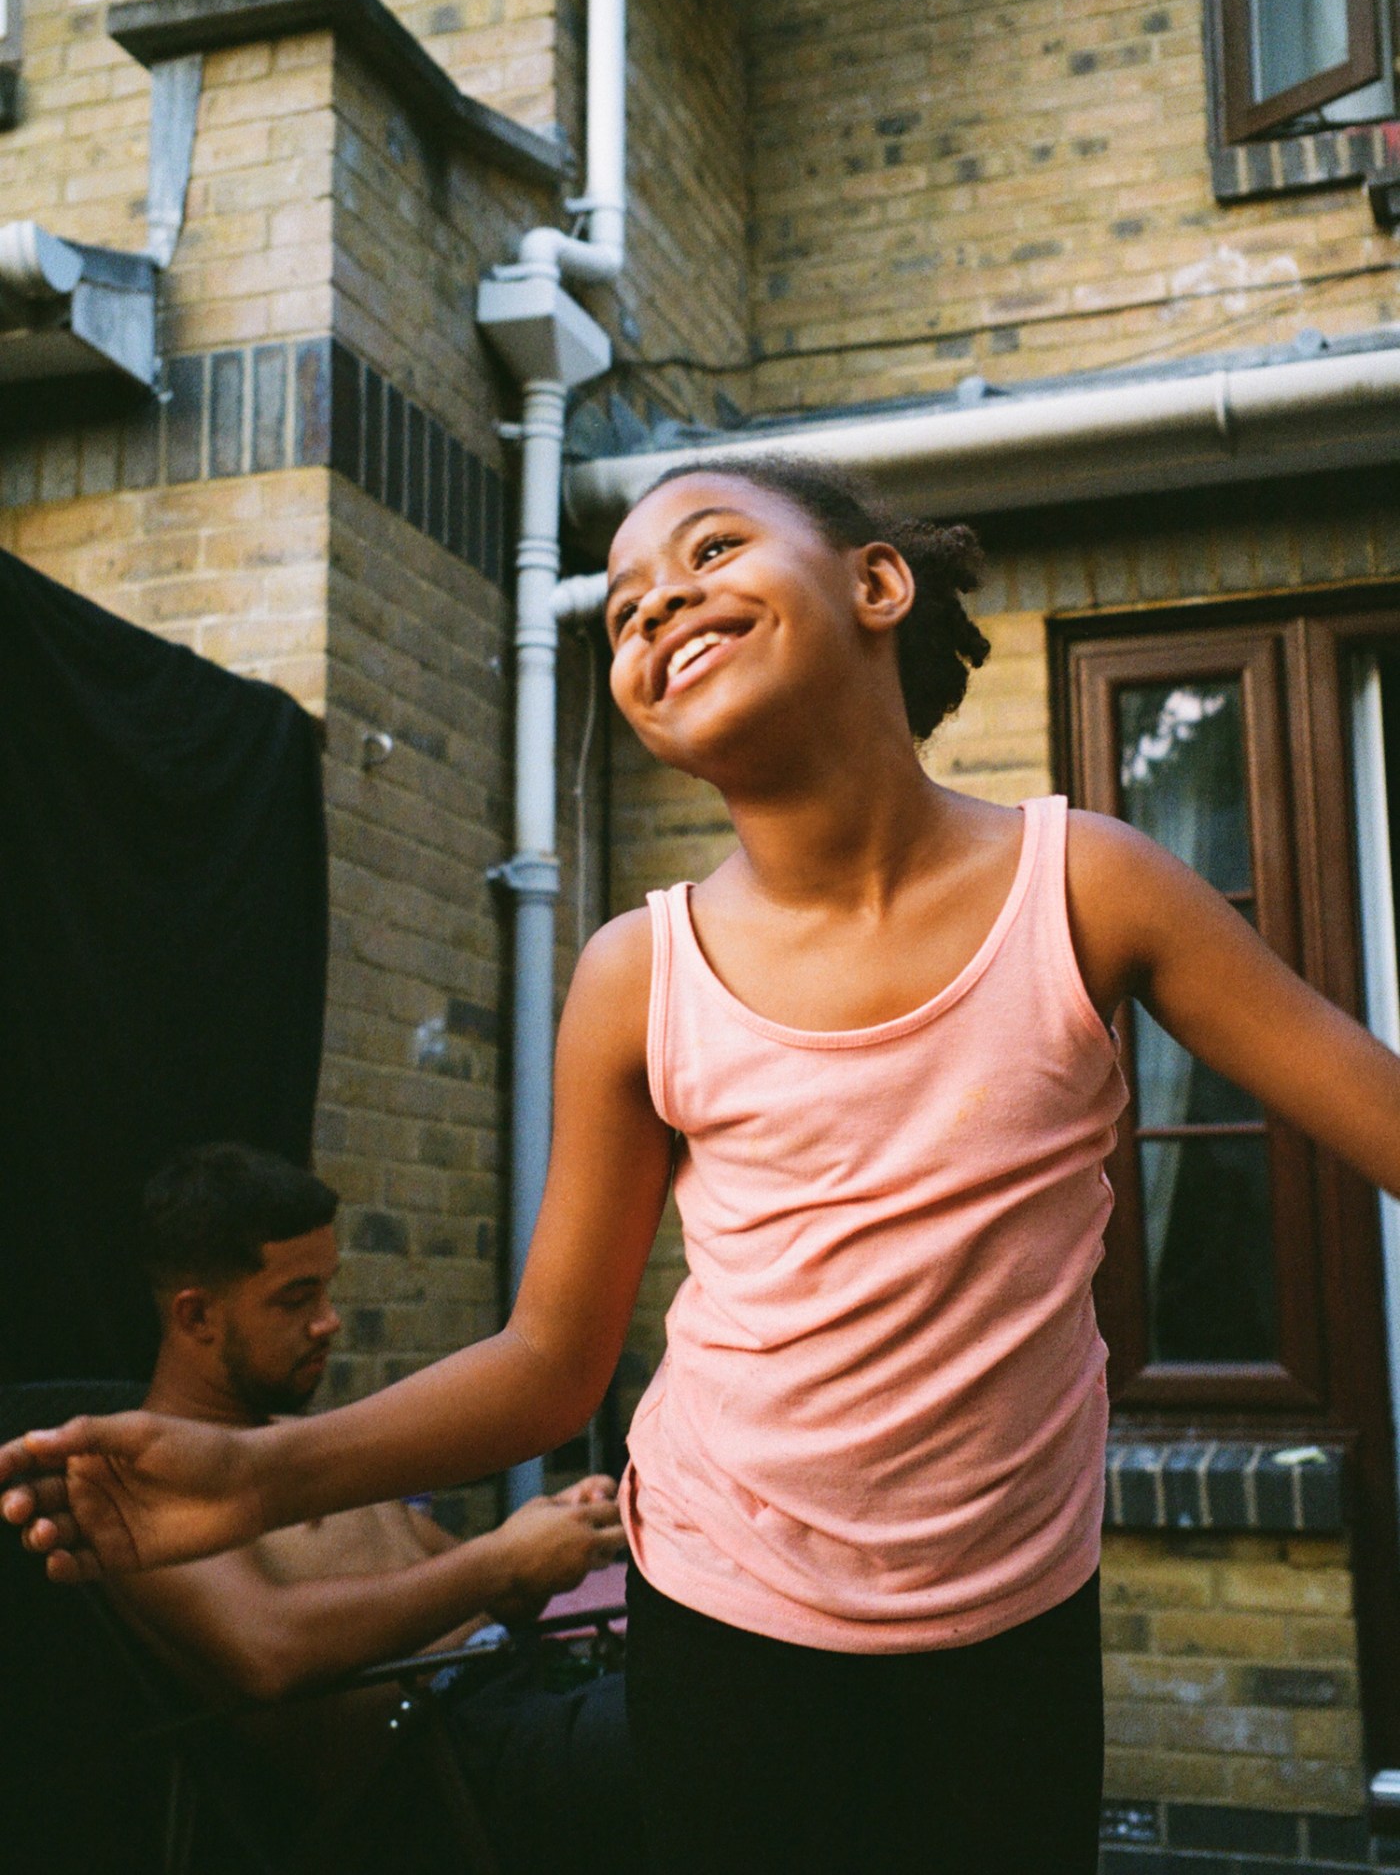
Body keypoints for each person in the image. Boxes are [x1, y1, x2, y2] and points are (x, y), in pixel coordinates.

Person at [9, 457, 1400, 1874]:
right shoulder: (637, 974)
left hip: (1011, 1616)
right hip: (726, 1608)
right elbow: (553, 1360)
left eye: (712, 548)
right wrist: (261, 1483)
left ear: (876, 584)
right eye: (620, 611)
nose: (659, 600)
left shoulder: (1086, 884)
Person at [96, 1141, 638, 1875]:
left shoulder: (304, 1452)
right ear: (196, 1317)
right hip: (433, 1776)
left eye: (327, 1289)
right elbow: (269, 1652)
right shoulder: (136, 1493)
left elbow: (486, 1595)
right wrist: (498, 1560)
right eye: (295, 1300)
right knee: (743, 1739)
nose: (329, 1322)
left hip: (521, 1711)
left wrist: (545, 1539)